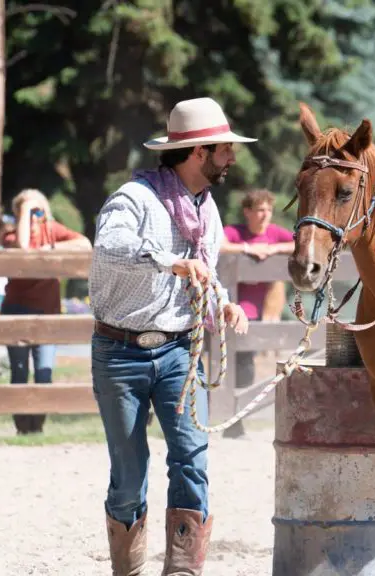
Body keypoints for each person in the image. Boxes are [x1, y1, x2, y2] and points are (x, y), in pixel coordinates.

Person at [89, 96, 252, 575]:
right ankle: (130, 568)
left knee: (192, 459)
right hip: (121, 351)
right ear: (198, 153)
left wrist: (222, 300)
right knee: (128, 475)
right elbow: (110, 244)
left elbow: (208, 270)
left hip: (180, 350)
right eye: (224, 149)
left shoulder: (207, 210)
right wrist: (168, 260)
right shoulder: (134, 199)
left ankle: (183, 570)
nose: (231, 158)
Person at [0, 189, 90, 435]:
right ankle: (22, 429)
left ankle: (37, 428)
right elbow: (23, 247)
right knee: (19, 372)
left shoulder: (51, 231)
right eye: (28, 211)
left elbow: (84, 243)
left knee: (44, 373)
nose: (34, 216)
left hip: (47, 311)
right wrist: (26, 212)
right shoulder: (9, 235)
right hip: (16, 310)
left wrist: (51, 247)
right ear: (17, 213)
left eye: (38, 210)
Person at [223, 188, 294, 389]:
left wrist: (275, 248)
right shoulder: (235, 232)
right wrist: (248, 248)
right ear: (247, 211)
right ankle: (233, 410)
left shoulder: (275, 233)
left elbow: (302, 243)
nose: (265, 215)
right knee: (238, 363)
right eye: (260, 210)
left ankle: (242, 410)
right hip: (238, 309)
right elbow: (218, 244)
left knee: (249, 364)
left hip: (265, 310)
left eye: (269, 210)